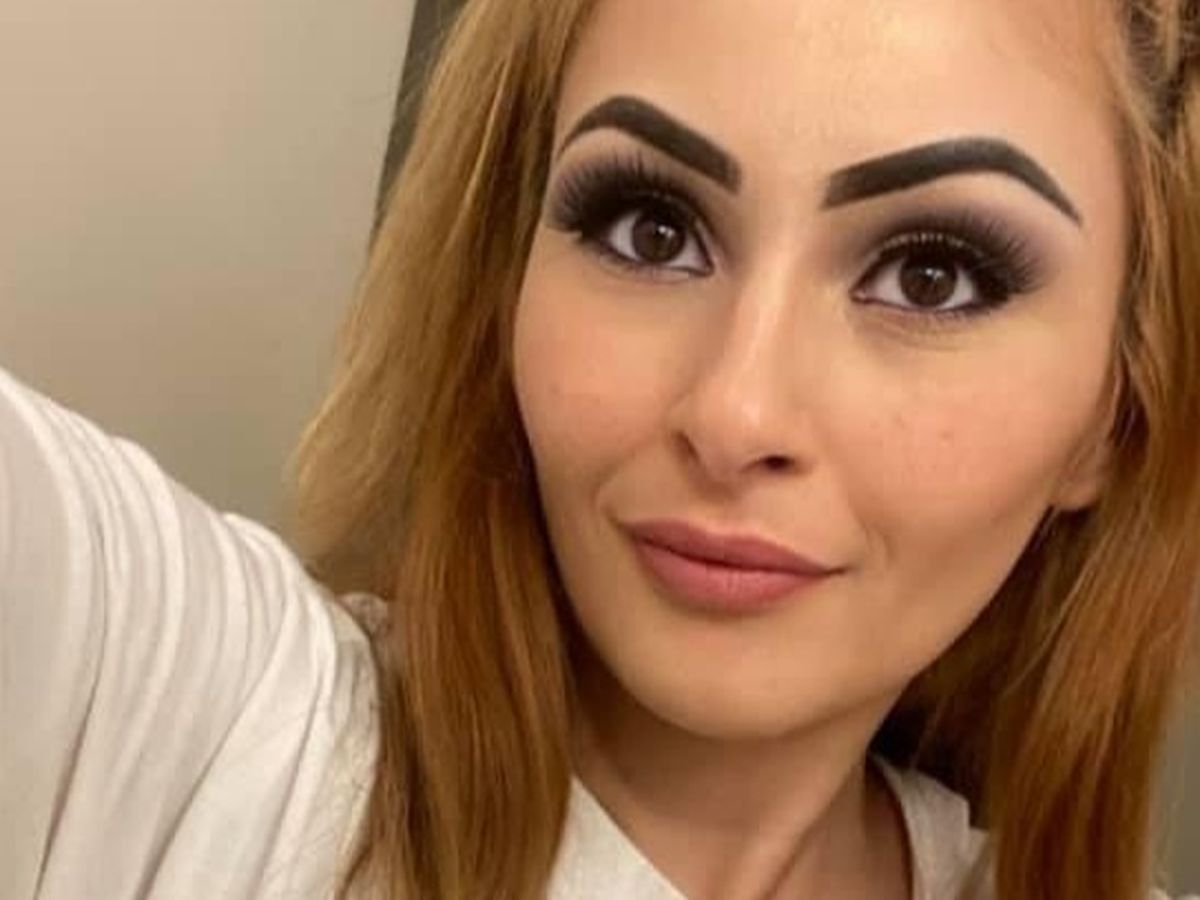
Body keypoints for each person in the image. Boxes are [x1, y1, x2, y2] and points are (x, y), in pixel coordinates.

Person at [3, 0, 1200, 897]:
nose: (735, 415)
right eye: (651, 228)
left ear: (1115, 414)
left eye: (933, 276)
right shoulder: (190, 723)